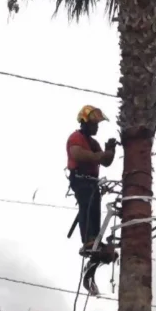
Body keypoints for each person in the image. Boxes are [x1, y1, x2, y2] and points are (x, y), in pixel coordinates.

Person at [66, 105, 118, 263]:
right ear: (85, 123)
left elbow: (106, 162)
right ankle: (88, 239)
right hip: (80, 179)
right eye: (94, 124)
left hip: (91, 181)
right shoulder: (76, 137)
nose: (96, 127)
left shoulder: (93, 143)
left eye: (97, 125)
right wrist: (102, 155)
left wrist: (110, 151)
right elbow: (77, 154)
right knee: (87, 205)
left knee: (94, 208)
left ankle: (94, 239)